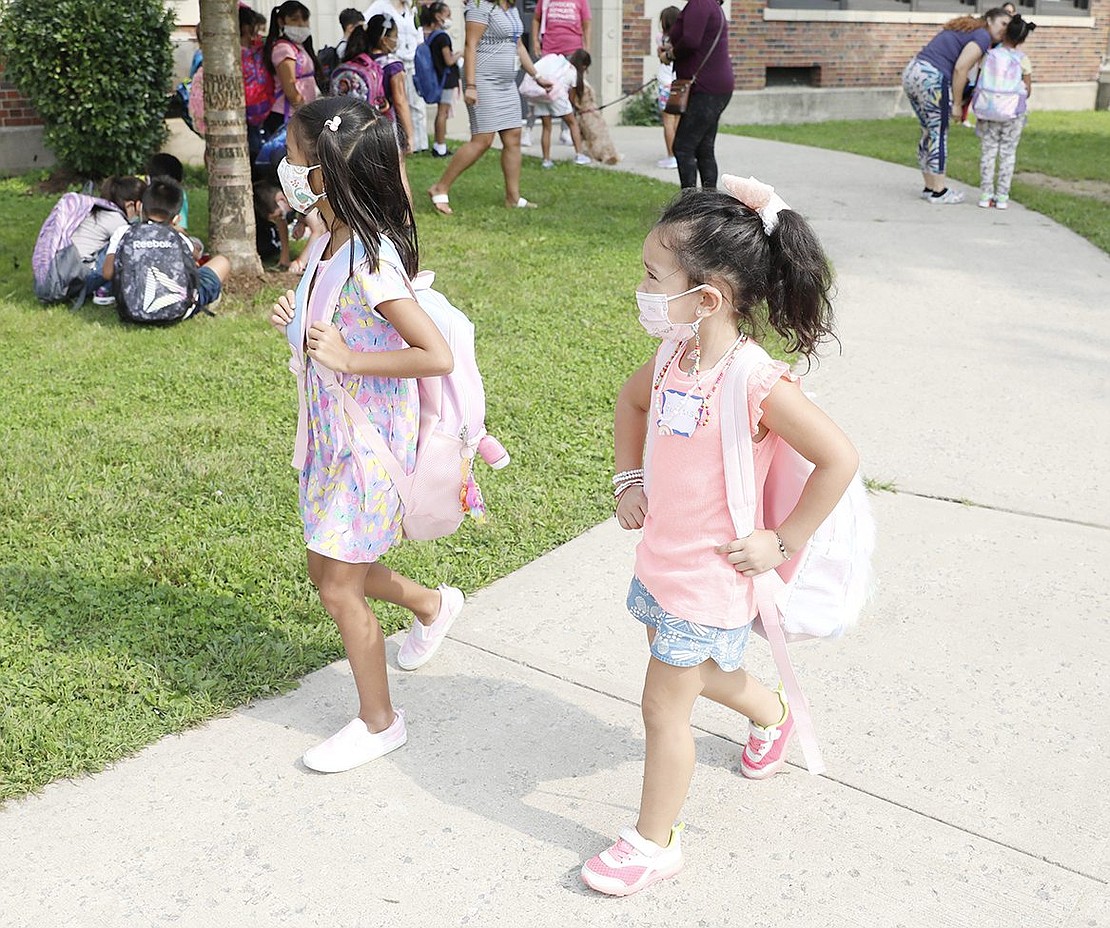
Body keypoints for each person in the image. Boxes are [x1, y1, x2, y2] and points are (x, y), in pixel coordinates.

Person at [579, 175, 858, 896]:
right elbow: (631, 400)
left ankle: (654, 841)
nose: (639, 285)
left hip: (710, 576)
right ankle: (772, 713)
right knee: (693, 675)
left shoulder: (754, 380)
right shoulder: (678, 354)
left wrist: (784, 539)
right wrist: (626, 480)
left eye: (651, 274)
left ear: (707, 297)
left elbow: (840, 458)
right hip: (661, 561)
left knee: (663, 705)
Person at [267, 96, 464, 774]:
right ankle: (434, 605)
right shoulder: (325, 240)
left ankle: (380, 722)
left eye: (293, 156)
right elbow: (331, 329)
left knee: (336, 585)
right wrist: (297, 320)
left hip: (369, 446)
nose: (284, 166)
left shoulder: (373, 260)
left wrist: (348, 357)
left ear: (324, 171)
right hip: (332, 439)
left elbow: (433, 353)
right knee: (331, 565)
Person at [427, 0, 553, 214]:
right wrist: (472, 85)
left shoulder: (511, 9)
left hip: (506, 83)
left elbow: (518, 45)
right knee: (483, 140)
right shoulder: (480, 7)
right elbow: (471, 45)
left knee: (513, 135)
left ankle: (513, 197)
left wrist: (537, 76)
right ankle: (440, 187)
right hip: (483, 81)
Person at [902, 7, 1011, 204]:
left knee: (928, 131)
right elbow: (961, 68)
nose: (1005, 29)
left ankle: (929, 186)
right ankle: (939, 191)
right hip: (933, 78)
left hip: (914, 72)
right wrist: (957, 104)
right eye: (1003, 23)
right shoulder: (982, 36)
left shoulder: (967, 28)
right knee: (939, 133)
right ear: (989, 20)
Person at [102, 176, 230, 314]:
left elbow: (108, 273)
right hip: (179, 310)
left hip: (132, 309)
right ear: (176, 218)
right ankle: (210, 298)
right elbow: (196, 256)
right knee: (221, 261)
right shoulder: (179, 237)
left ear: (140, 207)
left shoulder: (124, 232)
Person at [666, 0, 733, 189]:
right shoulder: (710, 5)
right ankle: (708, 207)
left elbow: (690, 41)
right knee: (703, 148)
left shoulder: (700, 3)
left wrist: (670, 55)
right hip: (715, 86)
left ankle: (690, 208)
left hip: (704, 88)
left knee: (683, 146)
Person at [974, 15, 1035, 210]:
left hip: (988, 109)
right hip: (1012, 113)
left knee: (988, 151)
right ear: (1023, 39)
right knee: (1008, 153)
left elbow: (979, 78)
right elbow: (1028, 89)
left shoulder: (990, 55)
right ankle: (1002, 197)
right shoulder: (1022, 59)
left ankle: (985, 195)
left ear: (1005, 32)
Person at [365, 0, 428, 153]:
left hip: (410, 61)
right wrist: (408, 136)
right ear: (385, 39)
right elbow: (400, 102)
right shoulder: (392, 65)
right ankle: (412, 142)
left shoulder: (411, 9)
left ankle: (421, 144)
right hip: (387, 120)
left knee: (417, 104)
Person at [76, 176, 146, 305]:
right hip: (83, 279)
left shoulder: (97, 212)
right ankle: (107, 290)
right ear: (131, 204)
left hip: (71, 274)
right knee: (124, 247)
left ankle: (105, 288)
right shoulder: (117, 221)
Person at [262, 0, 323, 137]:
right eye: (294, 19)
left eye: (304, 19)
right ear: (281, 22)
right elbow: (290, 89)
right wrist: (306, 114)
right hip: (287, 114)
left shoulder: (299, 46)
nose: (301, 24)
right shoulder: (283, 49)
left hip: (298, 113)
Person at [419, 2, 462, 158]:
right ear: (438, 16)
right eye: (447, 14)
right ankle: (440, 146)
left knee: (441, 112)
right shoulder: (442, 37)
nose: (449, 18)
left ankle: (439, 145)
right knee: (442, 113)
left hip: (438, 78)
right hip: (446, 79)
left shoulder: (430, 36)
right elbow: (448, 60)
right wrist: (460, 54)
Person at [531, 54, 588, 168]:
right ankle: (580, 155)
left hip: (541, 94)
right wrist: (574, 106)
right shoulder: (571, 71)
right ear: (583, 65)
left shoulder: (555, 62)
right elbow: (571, 97)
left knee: (546, 127)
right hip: (557, 96)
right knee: (572, 123)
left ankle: (546, 160)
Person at [568, 49, 619, 165]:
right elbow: (572, 99)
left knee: (599, 133)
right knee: (595, 135)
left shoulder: (579, 78)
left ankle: (606, 154)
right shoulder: (575, 79)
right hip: (586, 112)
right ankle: (603, 155)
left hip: (591, 111)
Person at [656, 6, 680, 170]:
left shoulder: (661, 38)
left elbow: (661, 55)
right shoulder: (681, 40)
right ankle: (679, 155)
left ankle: (671, 156)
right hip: (679, 83)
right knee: (678, 121)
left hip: (665, 83)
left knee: (667, 122)